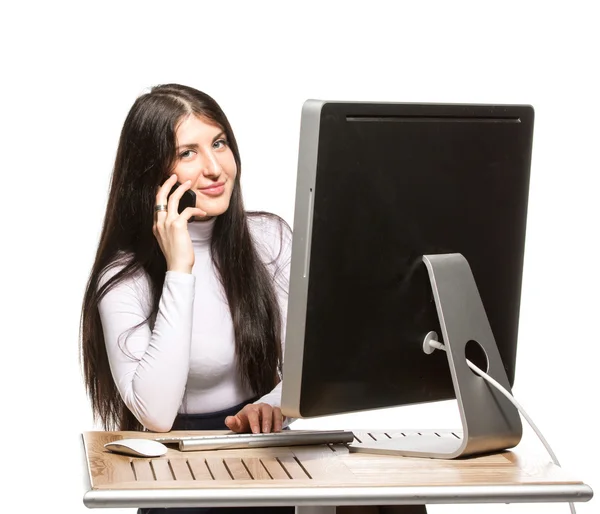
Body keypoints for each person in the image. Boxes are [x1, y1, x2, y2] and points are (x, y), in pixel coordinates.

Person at [80, 83, 295, 514]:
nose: (215, 168)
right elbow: (156, 414)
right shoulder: (123, 277)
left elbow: (312, 366)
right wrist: (180, 268)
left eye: (219, 143)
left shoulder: (269, 237)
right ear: (151, 172)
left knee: (391, 504)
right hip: (179, 465)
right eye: (188, 153)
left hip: (266, 449)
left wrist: (272, 406)